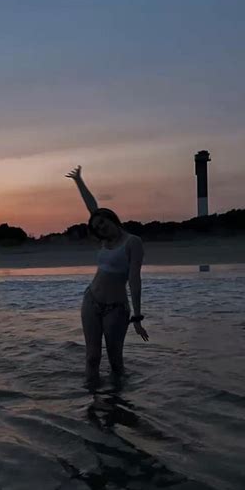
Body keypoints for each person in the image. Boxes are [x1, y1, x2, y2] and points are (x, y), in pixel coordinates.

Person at [65, 165, 149, 388]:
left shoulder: (133, 242)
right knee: (92, 357)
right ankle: (91, 405)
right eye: (96, 227)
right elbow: (92, 209)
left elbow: (134, 280)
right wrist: (78, 181)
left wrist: (138, 317)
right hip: (91, 300)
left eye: (102, 222)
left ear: (112, 218)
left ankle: (116, 404)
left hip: (116, 308)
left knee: (115, 362)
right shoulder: (103, 242)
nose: (100, 227)